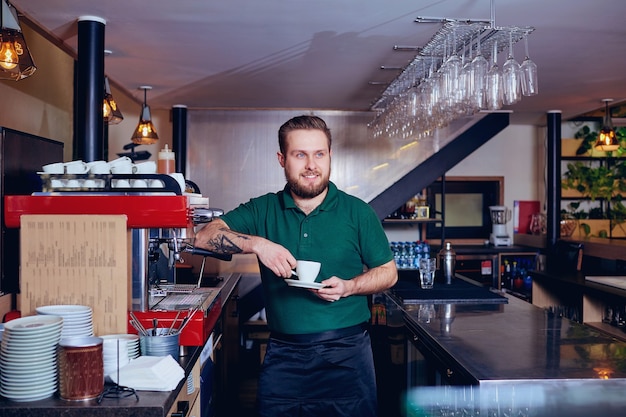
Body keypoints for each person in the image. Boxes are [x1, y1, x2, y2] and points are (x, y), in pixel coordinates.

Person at [193, 115, 398, 417]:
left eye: (319, 154)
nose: (311, 165)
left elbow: (388, 272)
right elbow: (203, 237)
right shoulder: (263, 208)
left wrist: (350, 286)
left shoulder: (358, 212)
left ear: (330, 156)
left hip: (347, 355)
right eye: (300, 154)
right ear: (282, 159)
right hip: (283, 356)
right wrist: (257, 244)